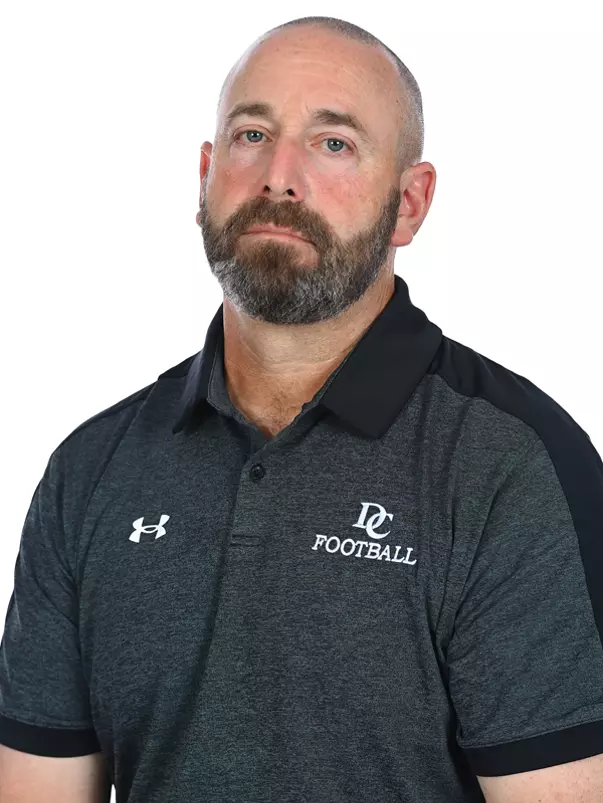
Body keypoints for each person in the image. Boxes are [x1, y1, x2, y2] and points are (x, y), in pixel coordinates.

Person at [1, 14, 603, 803]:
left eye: (333, 143)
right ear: (206, 174)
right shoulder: (91, 471)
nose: (279, 176)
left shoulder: (511, 466)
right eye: (252, 134)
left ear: (409, 203)